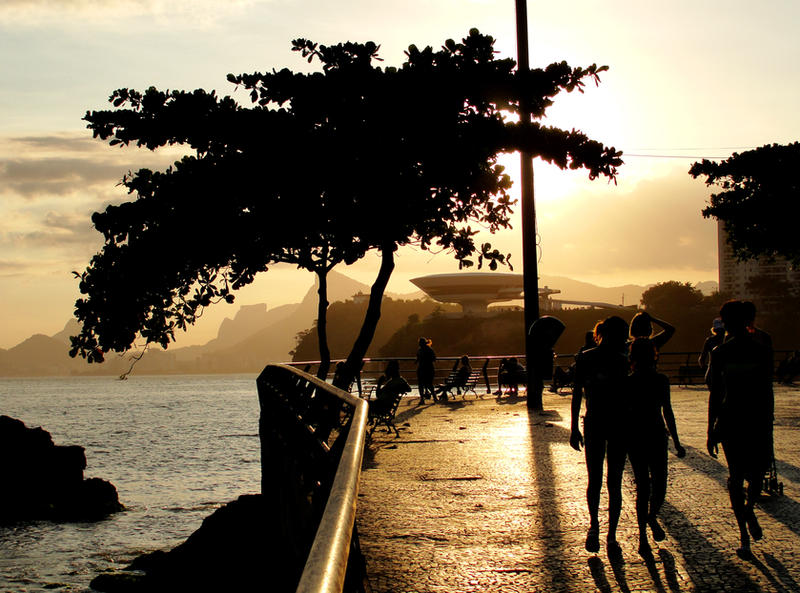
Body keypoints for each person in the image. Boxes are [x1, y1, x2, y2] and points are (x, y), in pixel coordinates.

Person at [707, 300, 774, 558]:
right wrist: (711, 428)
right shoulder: (725, 352)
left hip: (743, 419)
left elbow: (716, 394)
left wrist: (711, 428)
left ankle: (746, 515)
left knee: (749, 476)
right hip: (741, 420)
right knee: (744, 475)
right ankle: (744, 531)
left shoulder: (755, 350)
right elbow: (717, 392)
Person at [570, 316, 630, 556]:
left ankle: (594, 526)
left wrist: (574, 427)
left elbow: (577, 394)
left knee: (594, 478)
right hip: (618, 422)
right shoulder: (623, 360)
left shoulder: (586, 357)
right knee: (614, 481)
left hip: (593, 420)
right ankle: (612, 536)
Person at [626, 338, 686, 556]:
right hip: (656, 435)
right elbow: (666, 411)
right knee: (658, 485)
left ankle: (645, 528)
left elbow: (625, 414)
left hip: (636, 437)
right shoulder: (661, 380)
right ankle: (648, 523)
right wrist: (677, 442)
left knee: (643, 487)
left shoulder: (629, 382)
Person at [415, 337, 437, 403]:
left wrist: (418, 360)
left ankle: (422, 399)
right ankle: (434, 397)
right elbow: (434, 359)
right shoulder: (429, 349)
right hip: (429, 368)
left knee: (421, 384)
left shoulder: (420, 350)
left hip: (422, 369)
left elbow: (418, 358)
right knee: (429, 384)